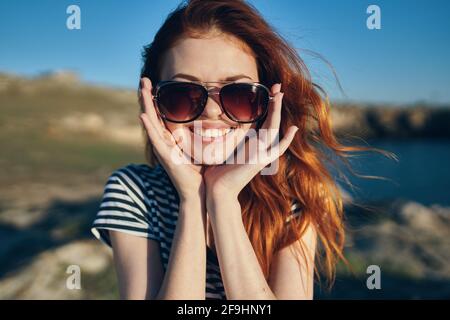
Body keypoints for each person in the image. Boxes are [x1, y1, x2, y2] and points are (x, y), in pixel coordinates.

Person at [91, 0, 387, 300]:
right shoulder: (133, 191)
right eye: (181, 94)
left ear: (266, 105)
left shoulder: (292, 198)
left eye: (239, 94)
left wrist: (223, 200)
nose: (210, 111)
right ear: (153, 102)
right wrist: (192, 200)